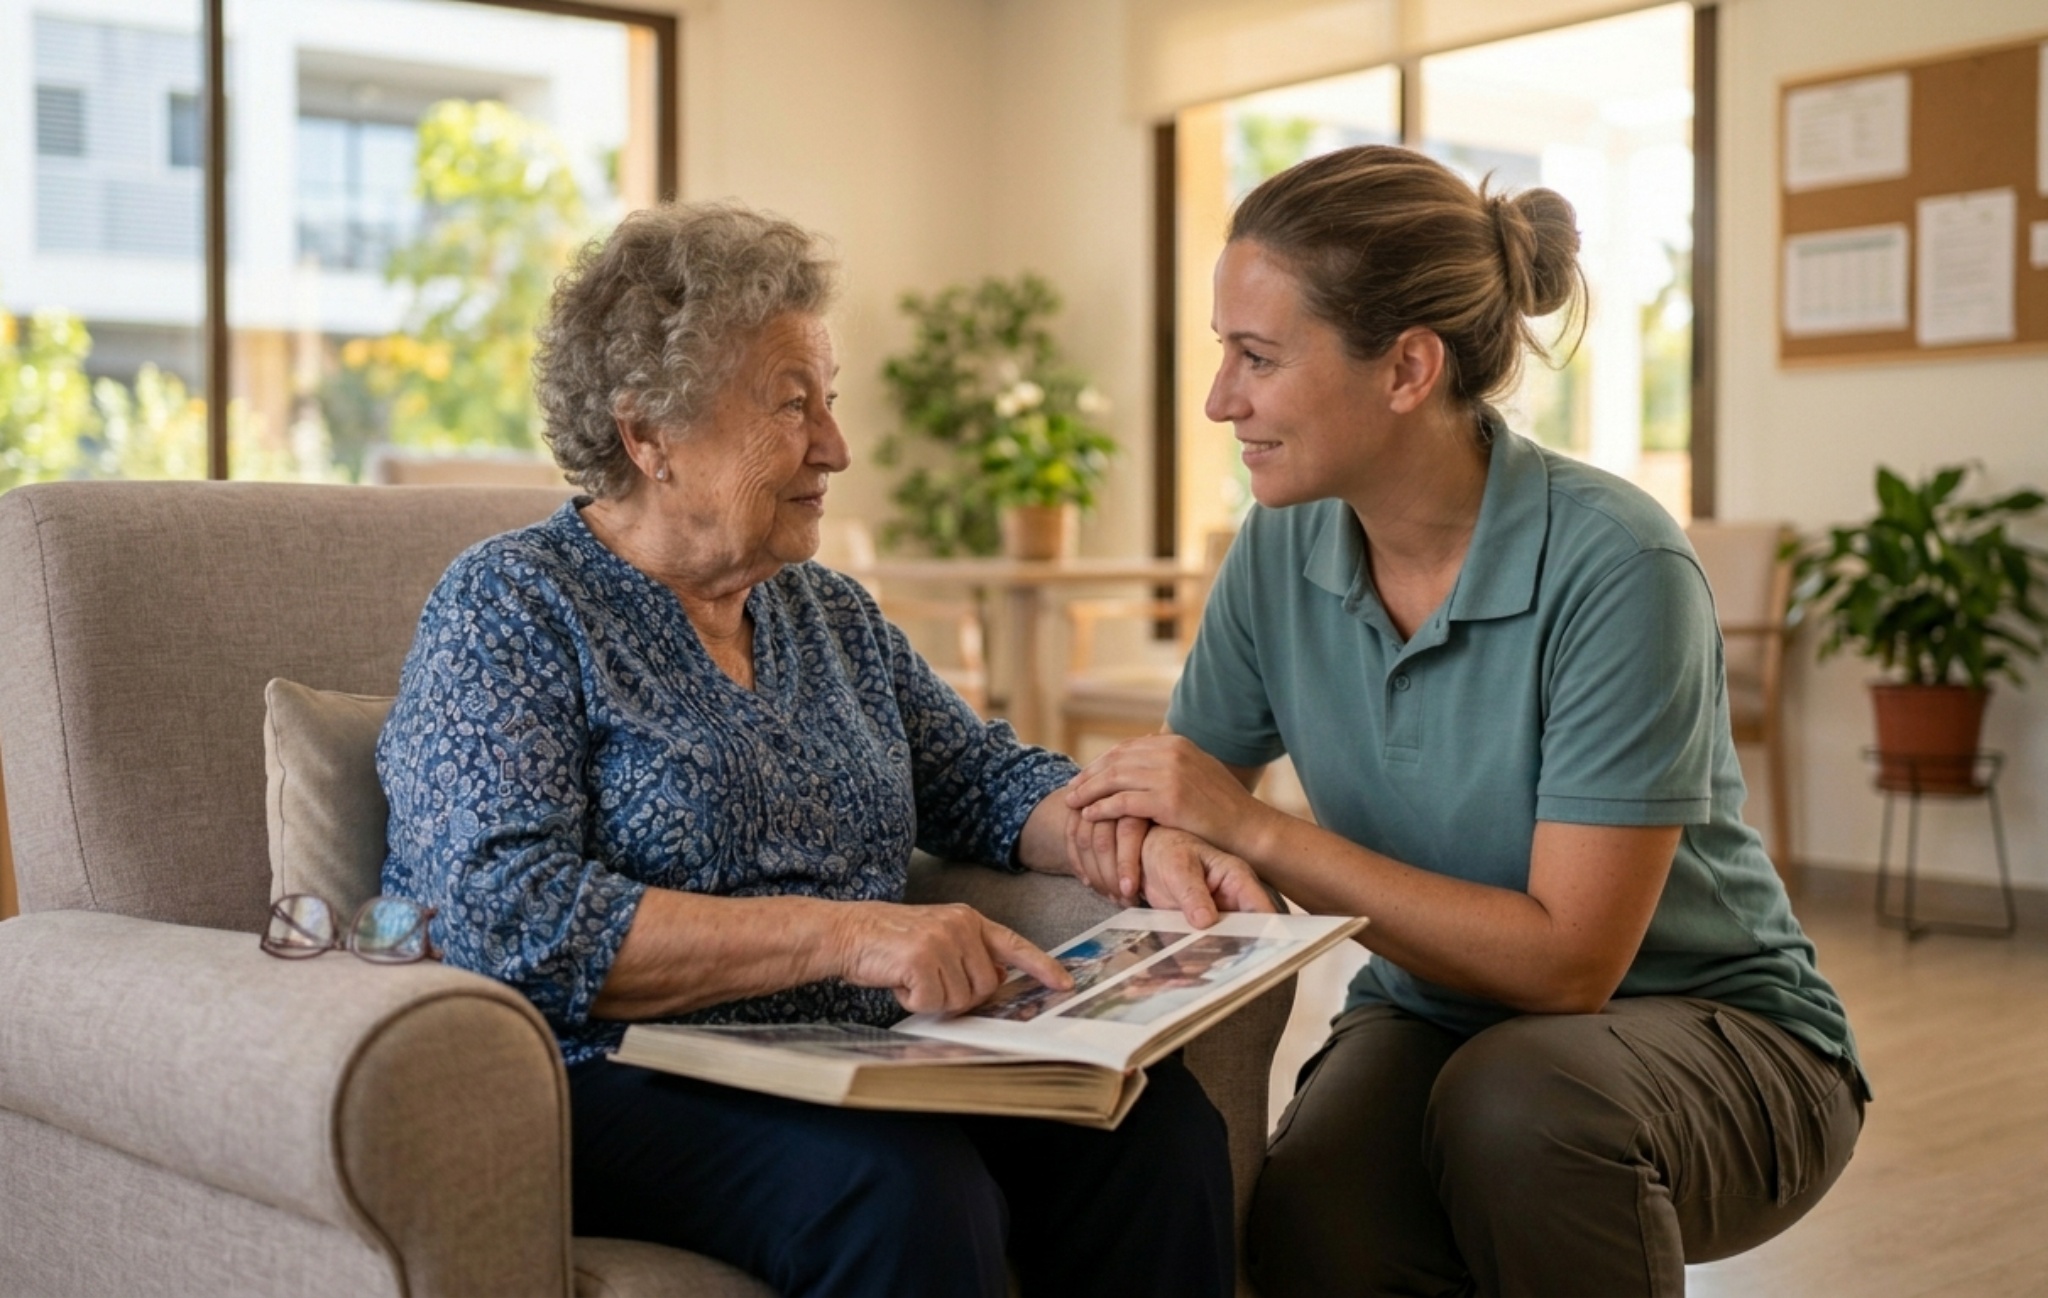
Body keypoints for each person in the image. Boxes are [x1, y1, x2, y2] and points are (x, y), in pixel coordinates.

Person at [376, 201, 1264, 1298]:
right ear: (647, 433)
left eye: (828, 402)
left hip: (852, 1065)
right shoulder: (510, 605)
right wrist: (848, 935)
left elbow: (980, 779)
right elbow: (496, 915)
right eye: (790, 405)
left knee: (1153, 1128)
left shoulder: (825, 611)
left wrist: (1131, 839)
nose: (835, 446)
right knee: (899, 1188)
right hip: (604, 1073)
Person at [1062, 145, 1868, 1298]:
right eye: (1219, 353)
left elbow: (1566, 965)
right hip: (1435, 1015)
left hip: (1719, 1032)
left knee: (1521, 1106)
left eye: (1255, 357)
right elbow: (1186, 789)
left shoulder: (1615, 563)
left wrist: (1260, 830)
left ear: (1405, 368)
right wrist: (1172, 840)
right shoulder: (1276, 549)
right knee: (1313, 1217)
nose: (1217, 399)